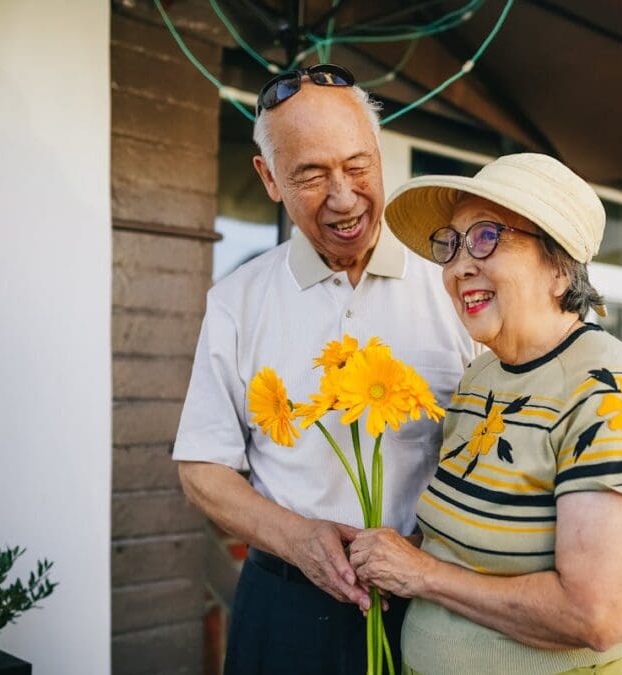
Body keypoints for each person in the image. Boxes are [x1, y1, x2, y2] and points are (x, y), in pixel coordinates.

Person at [172, 64, 475, 673]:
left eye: (358, 165)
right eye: (310, 175)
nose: (343, 197)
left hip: (434, 605)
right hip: (285, 607)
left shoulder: (457, 283)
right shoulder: (237, 300)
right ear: (269, 178)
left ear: (381, 152)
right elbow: (203, 467)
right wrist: (296, 537)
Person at [349, 153, 622, 674]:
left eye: (485, 237)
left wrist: (422, 574)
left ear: (558, 265)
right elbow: (470, 541)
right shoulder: (483, 377)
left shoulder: (606, 393)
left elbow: (596, 615)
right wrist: (389, 552)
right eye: (451, 245)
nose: (458, 266)